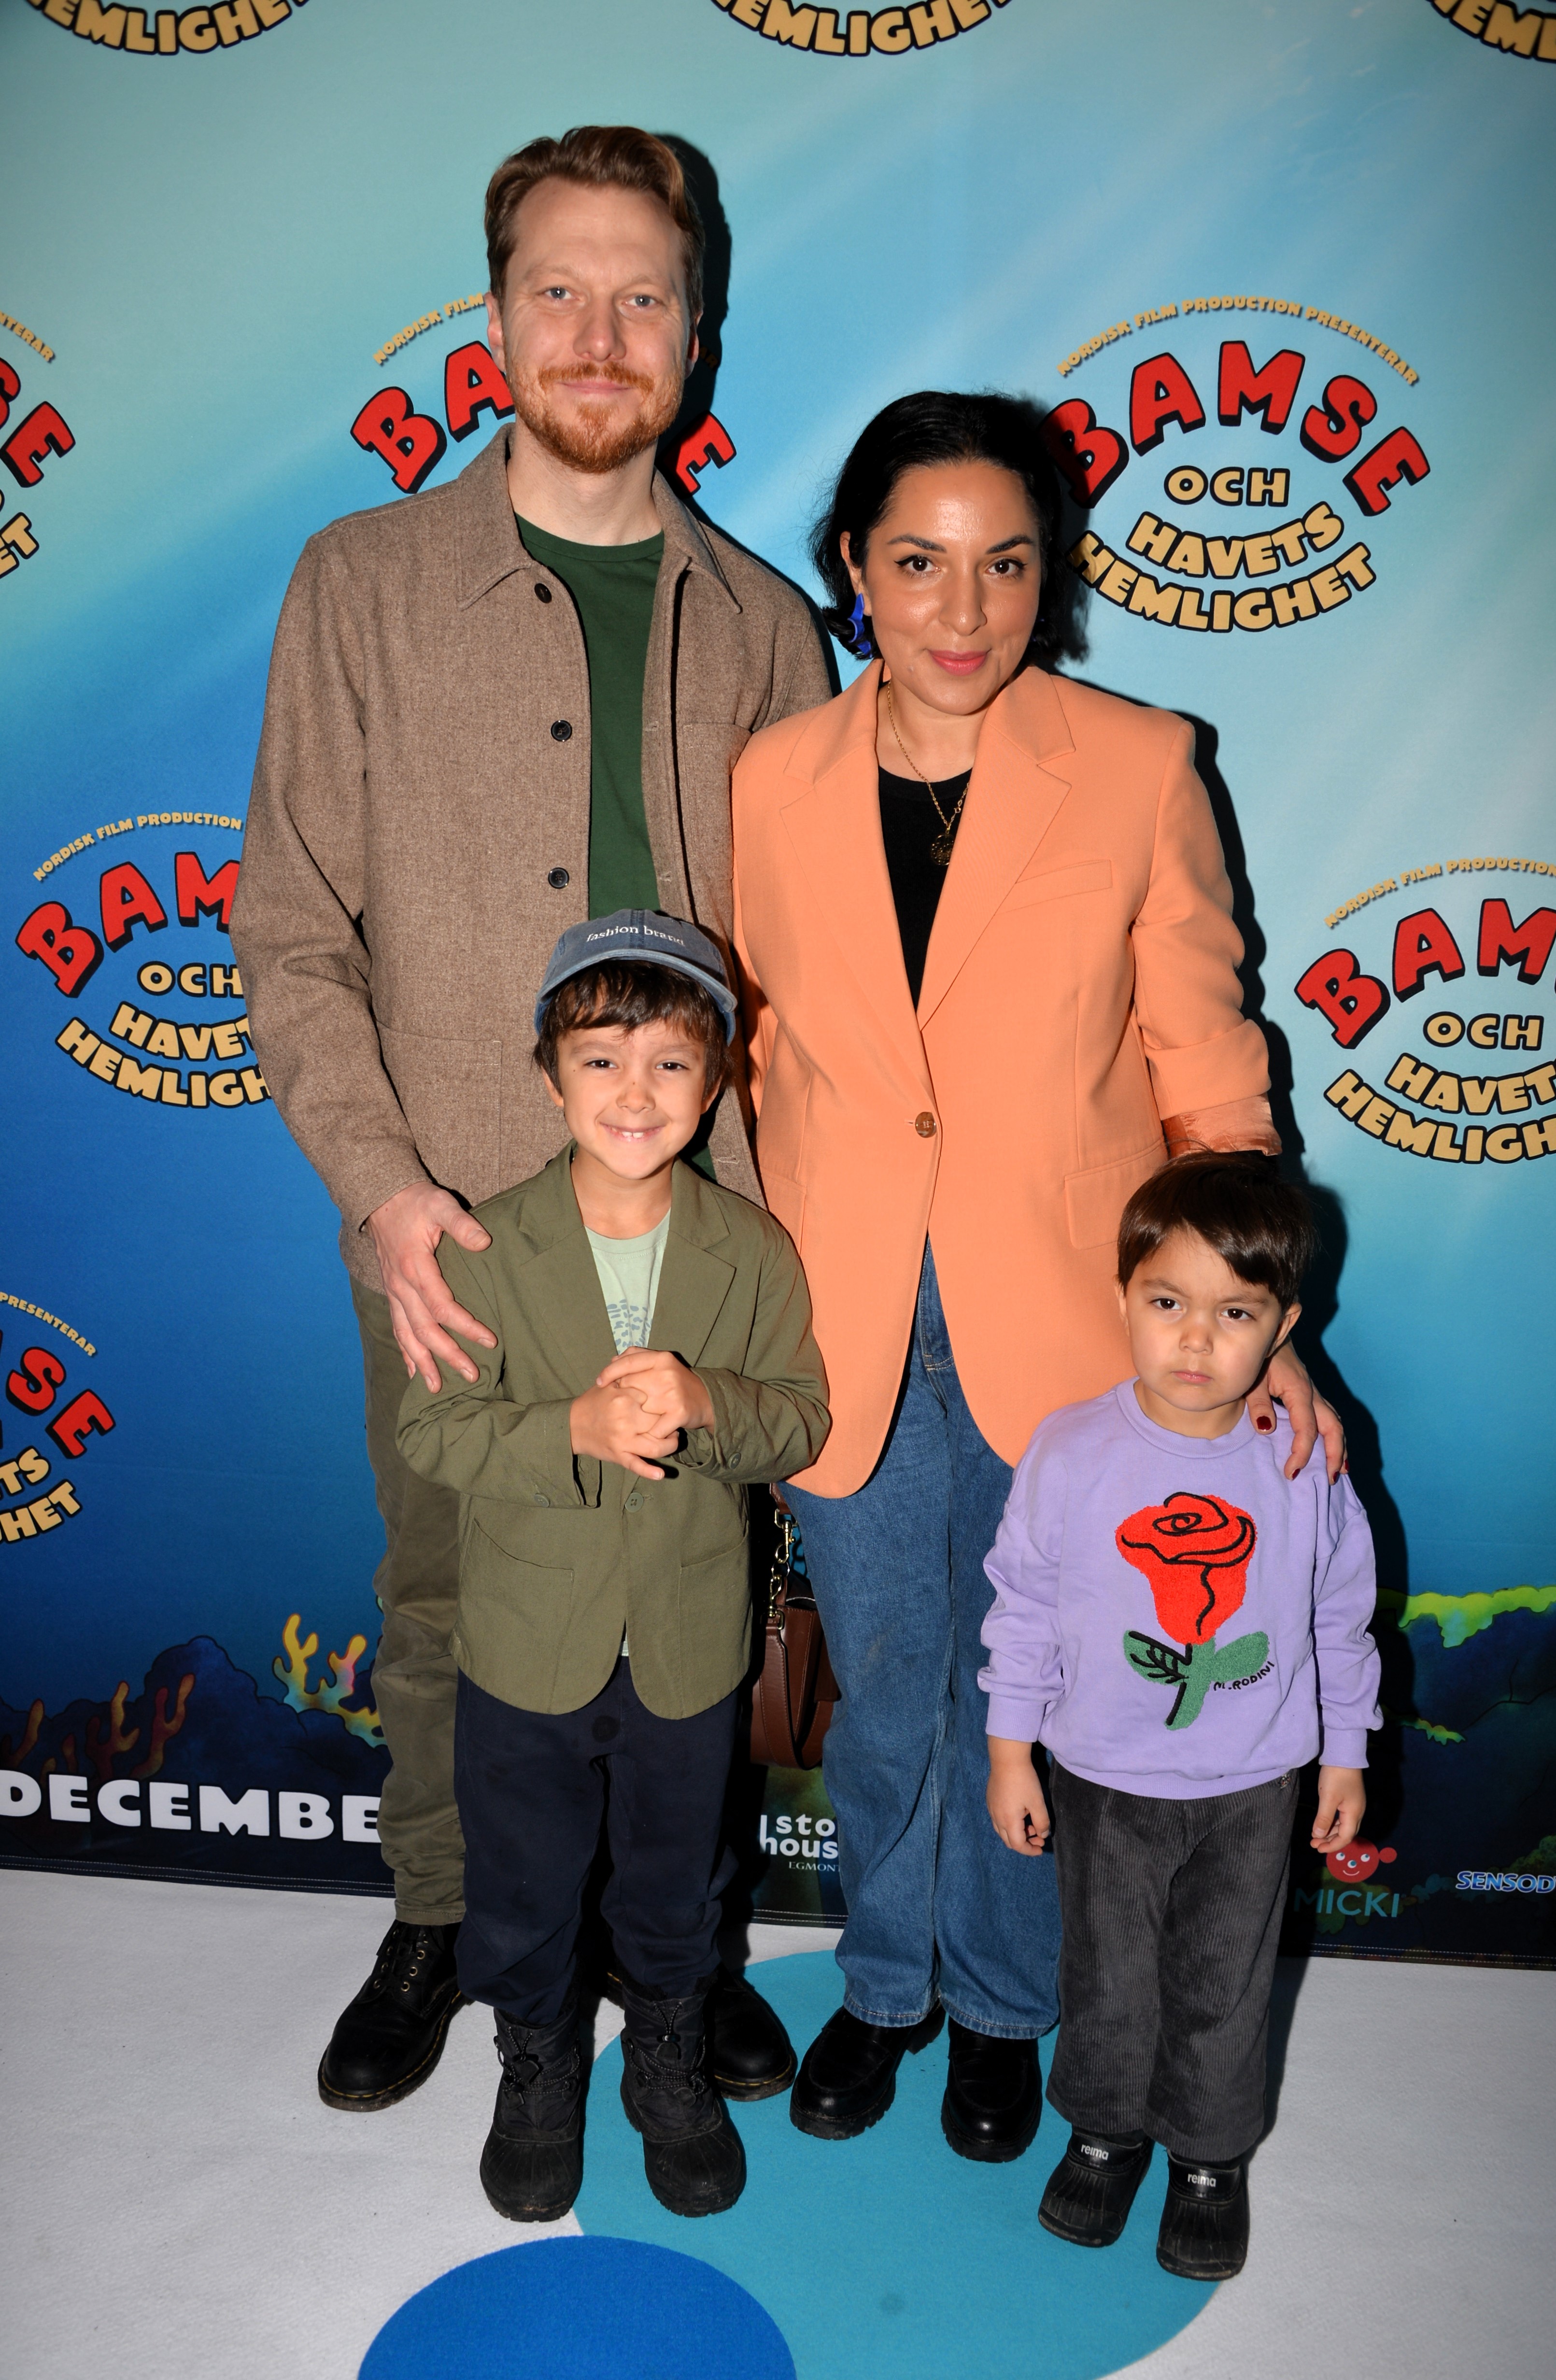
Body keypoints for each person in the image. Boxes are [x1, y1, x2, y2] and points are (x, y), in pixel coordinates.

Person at [232, 126, 830, 2111]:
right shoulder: (363, 583)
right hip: (458, 1228)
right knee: (448, 1583)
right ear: (492, 320)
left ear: (696, 332)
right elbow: (288, 921)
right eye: (559, 289)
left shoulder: (765, 627)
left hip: (702, 1226)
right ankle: (444, 1913)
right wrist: (384, 1188)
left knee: (689, 1585)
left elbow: (813, 975)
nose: (600, 332)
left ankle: (677, 1945)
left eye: (643, 295)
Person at [729, 392, 1344, 2162]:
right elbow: (749, 1051)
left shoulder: (1138, 763)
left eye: (1005, 563)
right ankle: (885, 1984)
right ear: (854, 567)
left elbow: (1208, 1062)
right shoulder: (768, 779)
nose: (963, 606)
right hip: (839, 1311)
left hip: (1071, 1315)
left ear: (1050, 575)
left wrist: (1254, 1326)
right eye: (918, 561)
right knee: (888, 1685)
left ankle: (1004, 2005)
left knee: (1045, 1689)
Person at [394, 914, 829, 2220]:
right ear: (548, 1076)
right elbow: (433, 1430)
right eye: (599, 1059)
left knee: (678, 1877)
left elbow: (798, 1418)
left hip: (687, 1646)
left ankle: (668, 2058)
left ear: (717, 1080)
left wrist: (707, 1402)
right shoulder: (485, 1246)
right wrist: (569, 1431)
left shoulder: (752, 1249)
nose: (635, 1093)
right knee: (522, 1882)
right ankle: (536, 2066)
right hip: (528, 1643)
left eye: (671, 1063)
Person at [981, 1154, 1379, 2279]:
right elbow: (1021, 1607)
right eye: (1167, 1302)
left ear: (1283, 1327)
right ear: (1122, 1296)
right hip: (1102, 1781)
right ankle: (1104, 2133)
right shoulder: (1069, 1450)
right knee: (1106, 1977)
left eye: (1234, 1313)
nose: (1194, 1340)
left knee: (1220, 1982)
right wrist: (1009, 1751)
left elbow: (1338, 1617)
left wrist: (1343, 1755)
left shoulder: (1301, 1458)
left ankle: (1209, 2155)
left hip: (1252, 1787)